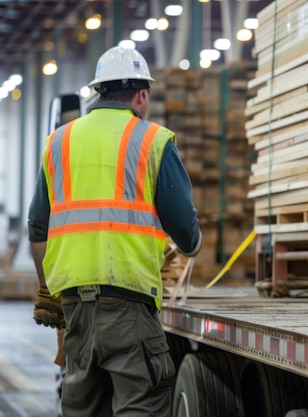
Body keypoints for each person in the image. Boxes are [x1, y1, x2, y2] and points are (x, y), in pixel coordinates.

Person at [28, 46, 202, 417]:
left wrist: (49, 289)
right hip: (129, 305)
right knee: (141, 404)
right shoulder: (153, 140)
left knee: (81, 408)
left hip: (74, 306)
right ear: (142, 95)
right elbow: (185, 230)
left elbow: (37, 228)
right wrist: (193, 242)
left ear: (99, 92)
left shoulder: (58, 142)